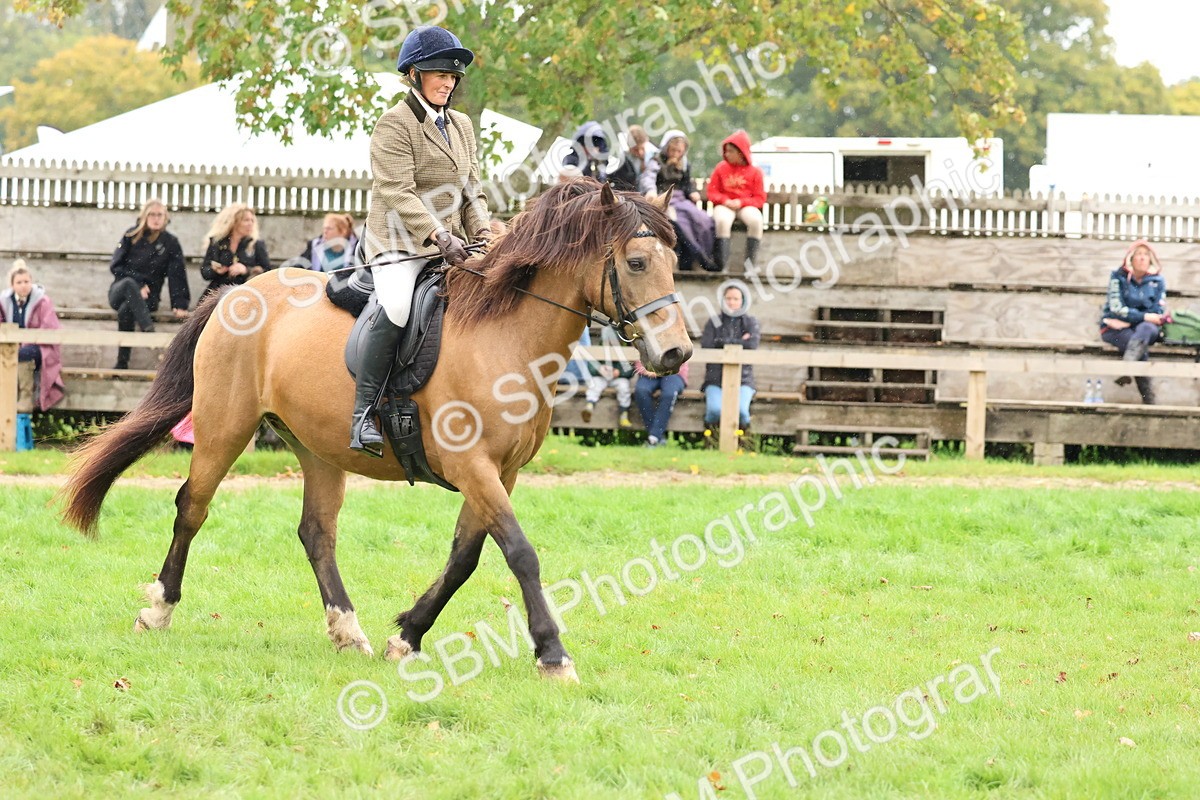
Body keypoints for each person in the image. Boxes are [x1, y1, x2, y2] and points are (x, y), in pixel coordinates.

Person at [351, 25, 491, 455]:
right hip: (398, 242)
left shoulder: (462, 125)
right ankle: (362, 415)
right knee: (395, 306)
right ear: (413, 74)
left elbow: (471, 189)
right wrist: (438, 233)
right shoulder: (394, 123)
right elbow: (397, 191)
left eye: (453, 76)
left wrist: (483, 235)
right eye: (438, 73)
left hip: (449, 244)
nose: (448, 82)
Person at [107, 199, 190, 370]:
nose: (156, 218)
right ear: (144, 216)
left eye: (160, 215)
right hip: (119, 291)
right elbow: (116, 265)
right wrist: (138, 284)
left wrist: (180, 303)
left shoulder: (170, 243)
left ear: (165, 217)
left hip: (148, 299)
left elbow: (177, 274)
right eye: (152, 214)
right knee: (129, 285)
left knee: (126, 310)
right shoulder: (131, 235)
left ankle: (122, 363)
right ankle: (149, 333)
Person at [1099, 239, 1167, 404]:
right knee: (1138, 346)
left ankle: (1127, 368)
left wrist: (1132, 319)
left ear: (1150, 259)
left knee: (1145, 330)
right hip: (1116, 329)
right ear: (1131, 258)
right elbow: (1116, 308)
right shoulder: (1117, 277)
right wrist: (1142, 317)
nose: (1142, 258)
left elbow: (1157, 312)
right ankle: (1149, 401)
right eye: (1138, 254)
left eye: (1146, 254)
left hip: (1144, 328)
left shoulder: (1158, 281)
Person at [641, 129, 717, 272]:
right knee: (679, 223)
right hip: (665, 200)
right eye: (673, 150)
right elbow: (648, 178)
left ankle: (703, 256)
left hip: (681, 200)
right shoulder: (656, 161)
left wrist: (693, 192)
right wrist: (651, 191)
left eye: (679, 151)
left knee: (703, 220)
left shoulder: (684, 165)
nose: (676, 153)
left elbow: (687, 184)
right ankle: (694, 259)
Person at [0, 260, 65, 410]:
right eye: (19, 282)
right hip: (10, 345)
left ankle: (25, 397)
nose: (23, 285)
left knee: (23, 353)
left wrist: (27, 342)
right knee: (8, 353)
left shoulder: (42, 301)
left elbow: (49, 327)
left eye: (26, 281)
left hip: (38, 346)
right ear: (12, 285)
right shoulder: (4, 302)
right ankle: (5, 396)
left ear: (31, 282)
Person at [701, 281, 760, 442]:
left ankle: (744, 442)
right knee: (714, 410)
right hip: (715, 378)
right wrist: (740, 341)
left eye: (736, 299)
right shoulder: (713, 322)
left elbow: (752, 345)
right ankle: (711, 441)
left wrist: (722, 341)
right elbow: (707, 345)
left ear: (743, 301)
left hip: (744, 379)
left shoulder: (750, 322)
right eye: (728, 298)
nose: (732, 302)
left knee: (741, 411)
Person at [706, 130, 767, 273]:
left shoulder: (755, 172)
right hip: (725, 205)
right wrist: (725, 200)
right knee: (722, 221)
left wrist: (741, 202)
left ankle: (749, 266)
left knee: (756, 221)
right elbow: (712, 192)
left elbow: (760, 198)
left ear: (741, 152)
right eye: (726, 151)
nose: (726, 154)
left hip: (744, 206)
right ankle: (722, 266)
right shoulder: (721, 168)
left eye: (731, 151)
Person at [199, 203, 272, 298]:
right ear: (234, 222)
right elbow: (205, 272)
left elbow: (268, 272)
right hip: (218, 294)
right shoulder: (217, 242)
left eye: (252, 220)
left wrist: (247, 270)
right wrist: (215, 270)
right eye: (246, 220)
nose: (250, 224)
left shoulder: (256, 244)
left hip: (247, 294)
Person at [581, 327, 635, 428]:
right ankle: (590, 405)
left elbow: (630, 370)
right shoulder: (600, 349)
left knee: (624, 387)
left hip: (618, 378)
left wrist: (619, 372)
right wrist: (600, 369)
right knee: (595, 384)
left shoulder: (623, 350)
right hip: (602, 378)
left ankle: (624, 413)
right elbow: (591, 366)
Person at [634, 359, 689, 447]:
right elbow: (640, 356)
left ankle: (653, 437)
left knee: (669, 394)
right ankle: (656, 436)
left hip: (674, 373)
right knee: (641, 391)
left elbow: (681, 358)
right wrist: (646, 370)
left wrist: (661, 372)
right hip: (648, 372)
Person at [608, 125, 656, 192]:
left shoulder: (653, 155)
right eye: (636, 149)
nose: (640, 152)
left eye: (642, 148)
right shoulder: (623, 161)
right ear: (629, 147)